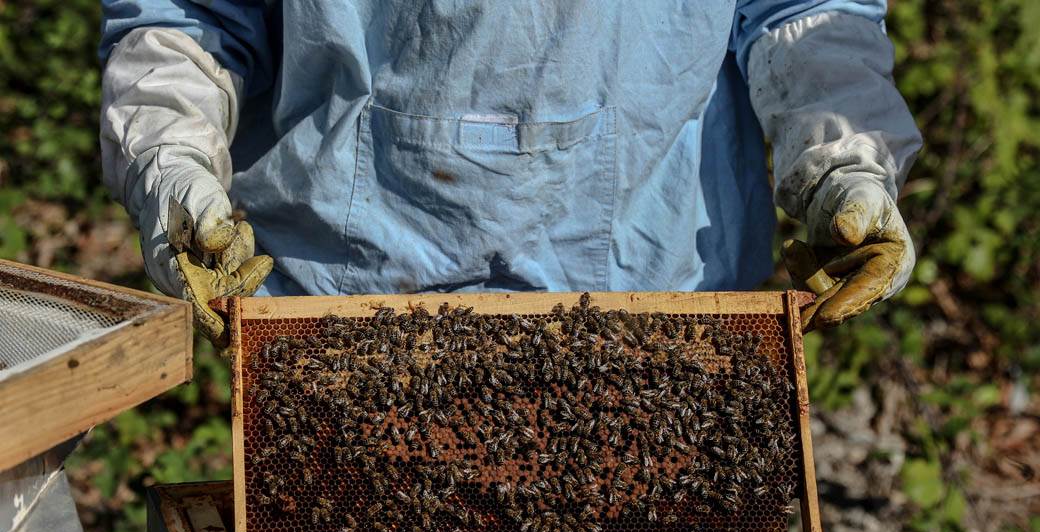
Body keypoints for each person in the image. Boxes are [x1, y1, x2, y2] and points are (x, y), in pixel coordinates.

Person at [99, 1, 921, 344]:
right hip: (336, 316)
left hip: (657, 311)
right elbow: (191, 17)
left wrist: (844, 162)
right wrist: (171, 167)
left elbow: (803, 15)